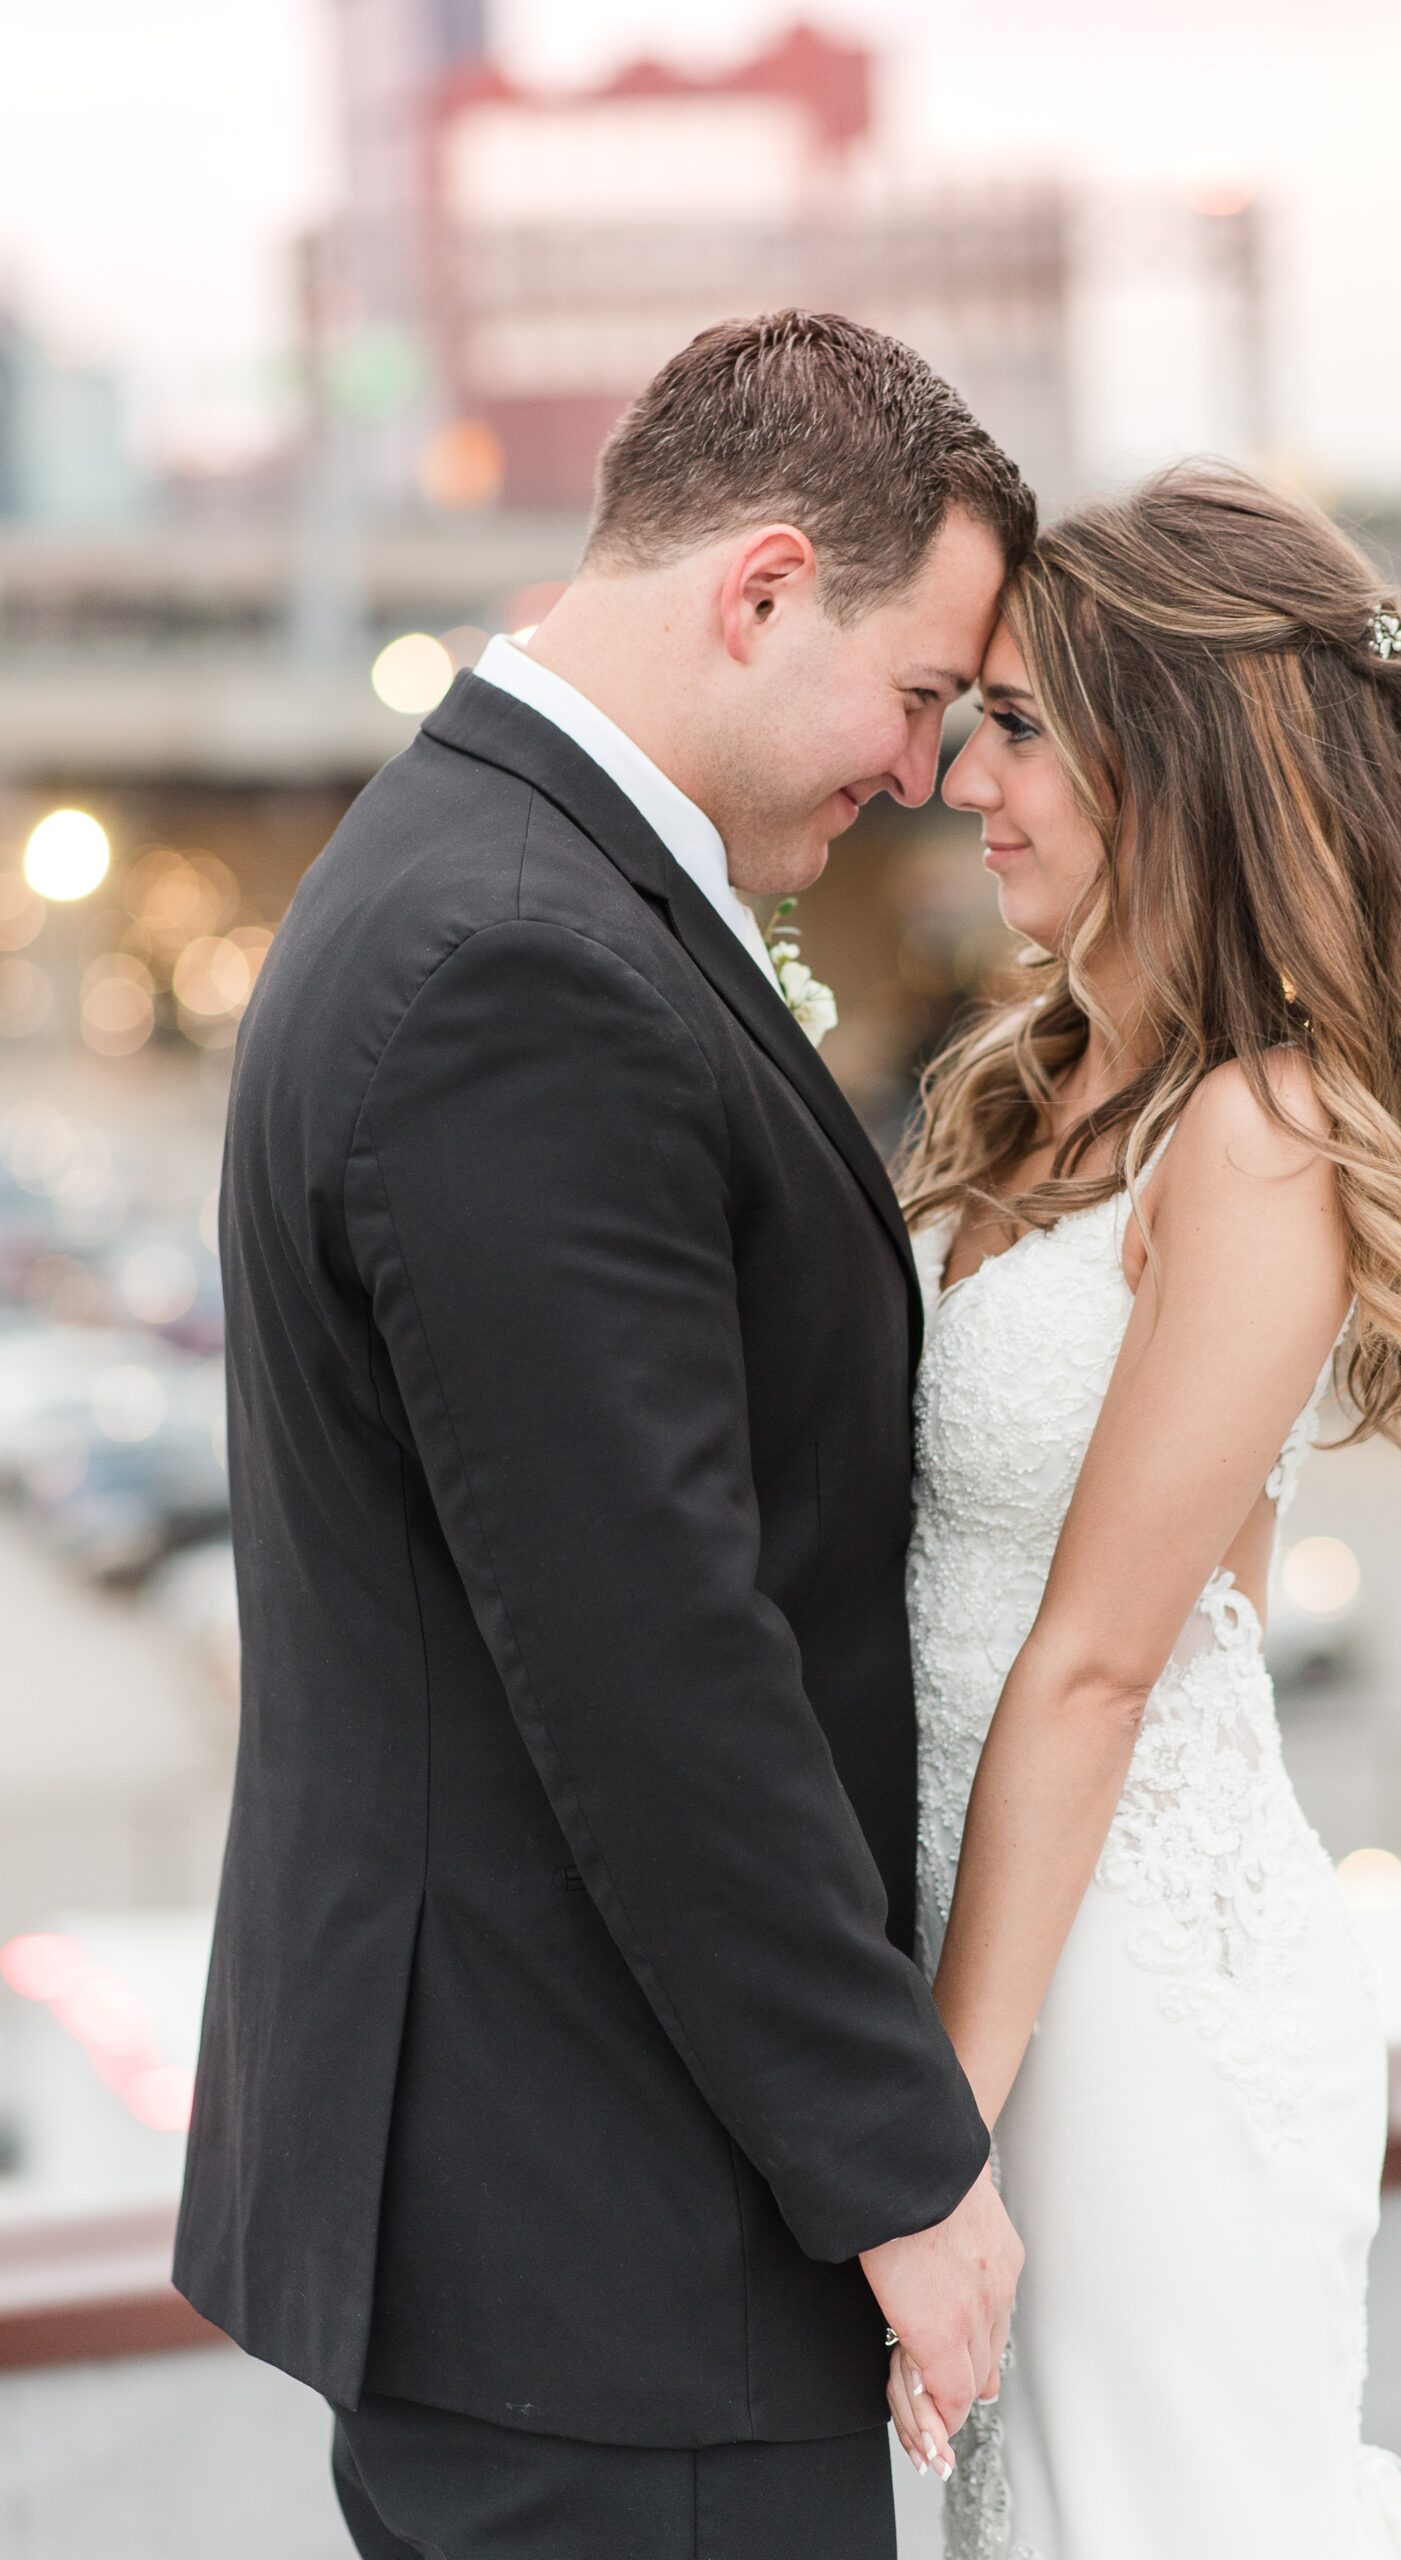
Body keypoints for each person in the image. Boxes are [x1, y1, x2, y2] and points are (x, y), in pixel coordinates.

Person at [172, 310, 1033, 2560]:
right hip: (606, 2236)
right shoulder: (515, 966)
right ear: (761, 588)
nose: (930, 774)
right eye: (924, 696)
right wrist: (903, 2162)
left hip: (580, 2226)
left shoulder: (501, 878)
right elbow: (652, 1656)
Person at [887, 464, 1401, 2558]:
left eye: (1016, 725)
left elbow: (1104, 1662)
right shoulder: (1034, 1081)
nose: (960, 777)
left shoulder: (1260, 1133)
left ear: (1169, 749)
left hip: (1118, 2006)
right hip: (975, 1944)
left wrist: (930, 2130)